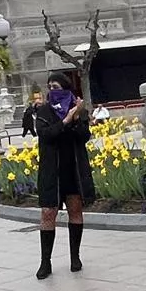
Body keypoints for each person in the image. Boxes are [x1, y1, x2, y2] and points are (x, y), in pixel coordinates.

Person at [31, 72, 95, 279]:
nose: (52, 91)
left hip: (73, 169)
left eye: (56, 87)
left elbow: (84, 136)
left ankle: (75, 257)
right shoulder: (43, 111)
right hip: (52, 171)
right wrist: (66, 120)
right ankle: (45, 262)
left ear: (66, 88)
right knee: (48, 213)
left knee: (75, 209)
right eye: (50, 87)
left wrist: (76, 118)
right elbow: (46, 135)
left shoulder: (78, 109)